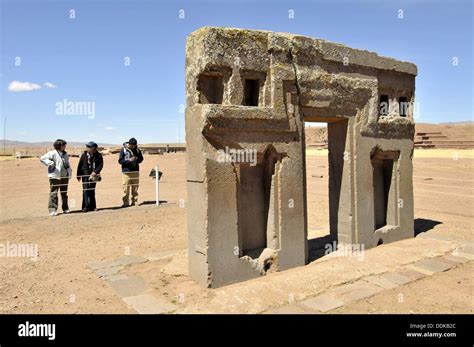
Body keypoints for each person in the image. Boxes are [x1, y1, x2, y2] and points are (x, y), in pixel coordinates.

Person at [40, 139, 72, 216]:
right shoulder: (52, 153)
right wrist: (50, 163)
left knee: (64, 193)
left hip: (65, 176)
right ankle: (52, 209)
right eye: (63, 145)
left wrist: (69, 172)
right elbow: (42, 158)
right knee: (53, 193)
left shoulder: (65, 154)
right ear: (59, 146)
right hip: (55, 176)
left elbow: (67, 164)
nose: (65, 146)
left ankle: (65, 208)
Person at [77, 141, 103, 212]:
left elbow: (100, 165)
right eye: (87, 146)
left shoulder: (98, 155)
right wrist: (78, 175)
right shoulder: (84, 155)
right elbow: (80, 165)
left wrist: (95, 172)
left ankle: (93, 206)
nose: (87, 148)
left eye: (89, 146)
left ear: (93, 148)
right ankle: (85, 207)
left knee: (92, 190)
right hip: (85, 175)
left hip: (94, 176)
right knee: (85, 191)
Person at [118, 137, 143, 207]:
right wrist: (129, 160)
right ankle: (125, 203)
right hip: (126, 172)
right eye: (132, 146)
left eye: (134, 146)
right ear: (129, 144)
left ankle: (134, 202)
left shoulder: (137, 150)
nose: (133, 147)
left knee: (135, 188)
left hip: (135, 172)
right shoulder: (124, 150)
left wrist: (136, 159)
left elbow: (141, 159)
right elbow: (120, 161)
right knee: (126, 189)